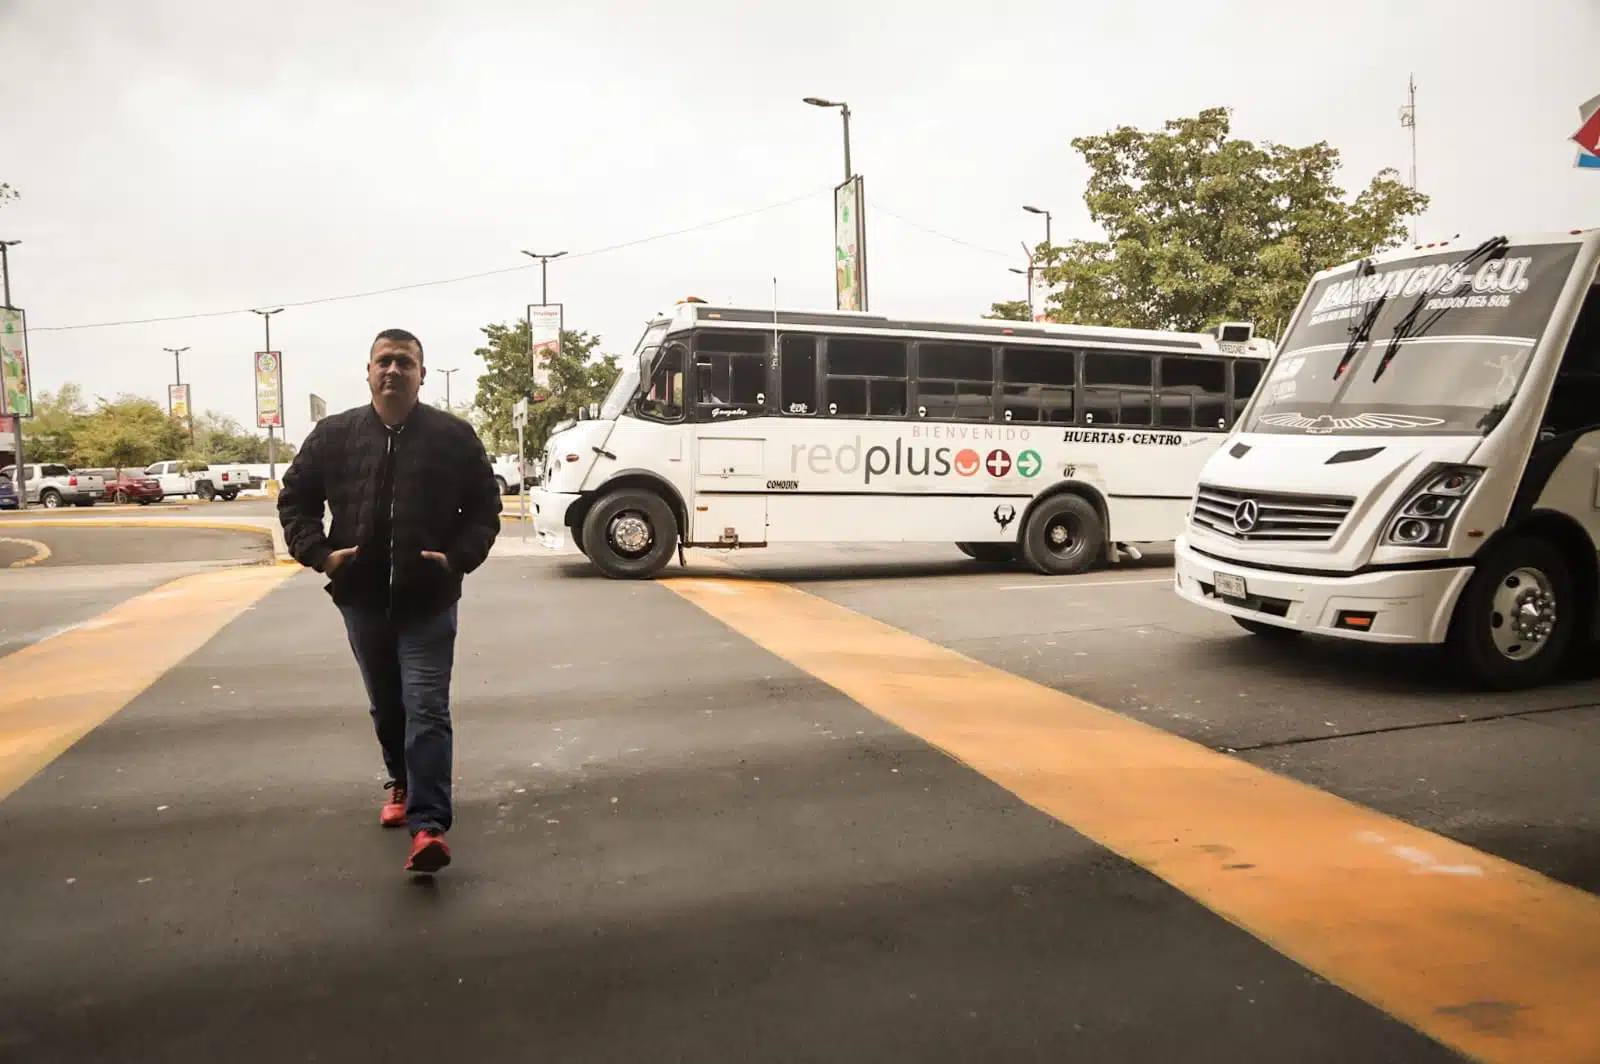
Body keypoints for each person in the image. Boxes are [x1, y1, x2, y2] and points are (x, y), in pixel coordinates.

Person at [278, 328, 502, 873]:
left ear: (422, 374)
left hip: (429, 600)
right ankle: (401, 780)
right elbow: (296, 500)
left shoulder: (453, 437)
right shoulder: (334, 436)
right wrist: (321, 555)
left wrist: (456, 559)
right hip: (361, 598)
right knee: (388, 706)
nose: (394, 370)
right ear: (370, 371)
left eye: (405, 362)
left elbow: (484, 509)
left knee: (427, 708)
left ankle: (428, 827)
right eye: (385, 361)